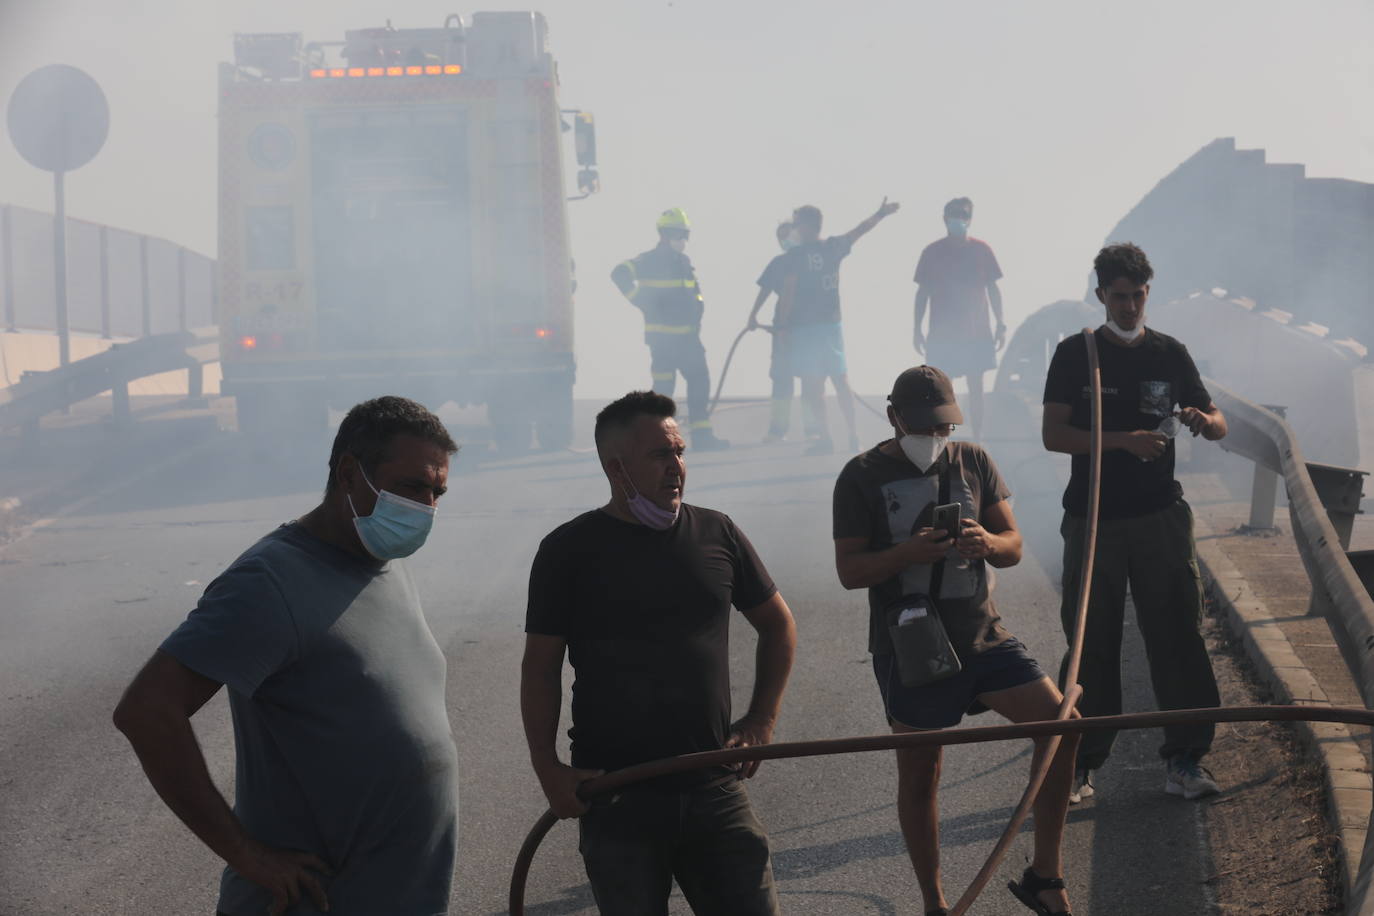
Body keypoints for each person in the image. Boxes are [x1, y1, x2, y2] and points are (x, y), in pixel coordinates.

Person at [112, 396, 460, 916]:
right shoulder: (270, 580)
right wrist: (247, 856)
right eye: (412, 487)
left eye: (436, 493)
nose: (425, 509)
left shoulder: (383, 562)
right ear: (349, 472)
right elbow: (147, 712)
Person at [521, 390, 796, 915]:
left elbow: (779, 626)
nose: (676, 467)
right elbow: (540, 668)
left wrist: (762, 719)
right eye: (660, 455)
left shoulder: (717, 532)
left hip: (715, 786)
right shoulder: (567, 550)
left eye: (680, 452)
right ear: (615, 468)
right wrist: (547, 767)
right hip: (618, 794)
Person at [833, 366, 1077, 916]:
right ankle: (934, 903)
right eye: (922, 428)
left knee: (1062, 725)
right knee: (922, 773)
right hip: (910, 646)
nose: (933, 439)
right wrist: (906, 554)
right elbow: (850, 570)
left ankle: (1046, 874)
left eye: (942, 428)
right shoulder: (860, 476)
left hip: (983, 635)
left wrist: (986, 541)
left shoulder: (974, 461)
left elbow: (1013, 545)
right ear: (892, 417)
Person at [1042, 242, 1228, 804]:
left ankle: (1185, 761)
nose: (1129, 307)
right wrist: (1123, 441)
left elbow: (1218, 423)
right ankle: (1079, 764)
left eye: (1138, 296)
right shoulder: (1077, 354)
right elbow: (1054, 436)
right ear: (1100, 295)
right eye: (1118, 297)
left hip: (1160, 518)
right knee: (1089, 644)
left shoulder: (1170, 353)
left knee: (1177, 636)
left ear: (1149, 292)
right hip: (1094, 519)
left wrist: (1202, 419)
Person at [781, 198, 900, 456]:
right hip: (831, 326)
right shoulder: (834, 247)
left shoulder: (796, 255)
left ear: (808, 226)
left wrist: (782, 325)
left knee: (816, 385)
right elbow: (860, 230)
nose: (794, 229)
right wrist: (880, 213)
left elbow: (789, 291)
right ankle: (850, 436)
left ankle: (829, 436)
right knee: (837, 380)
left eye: (798, 224)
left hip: (807, 328)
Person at [611, 208, 728, 450]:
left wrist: (697, 315)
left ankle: (702, 436)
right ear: (663, 234)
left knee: (699, 382)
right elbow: (619, 273)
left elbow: (692, 295)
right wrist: (641, 301)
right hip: (663, 340)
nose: (682, 240)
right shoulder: (649, 260)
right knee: (664, 390)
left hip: (687, 338)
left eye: (685, 234)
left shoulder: (683, 262)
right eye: (677, 234)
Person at [913, 197, 1006, 439]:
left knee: (977, 387)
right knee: (942, 389)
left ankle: (978, 437)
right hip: (943, 333)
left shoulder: (981, 250)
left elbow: (993, 289)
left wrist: (1001, 323)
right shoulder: (931, 252)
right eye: (954, 215)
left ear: (970, 219)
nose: (959, 219)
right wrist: (916, 328)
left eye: (963, 215)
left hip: (977, 331)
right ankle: (944, 439)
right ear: (945, 219)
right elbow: (922, 292)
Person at [747, 221, 818, 442]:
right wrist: (753, 315)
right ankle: (778, 429)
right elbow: (765, 289)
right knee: (781, 380)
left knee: (810, 380)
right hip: (782, 330)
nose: (785, 240)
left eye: (788, 234)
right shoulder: (778, 263)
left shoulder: (812, 261)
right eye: (781, 237)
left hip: (808, 328)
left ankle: (813, 429)